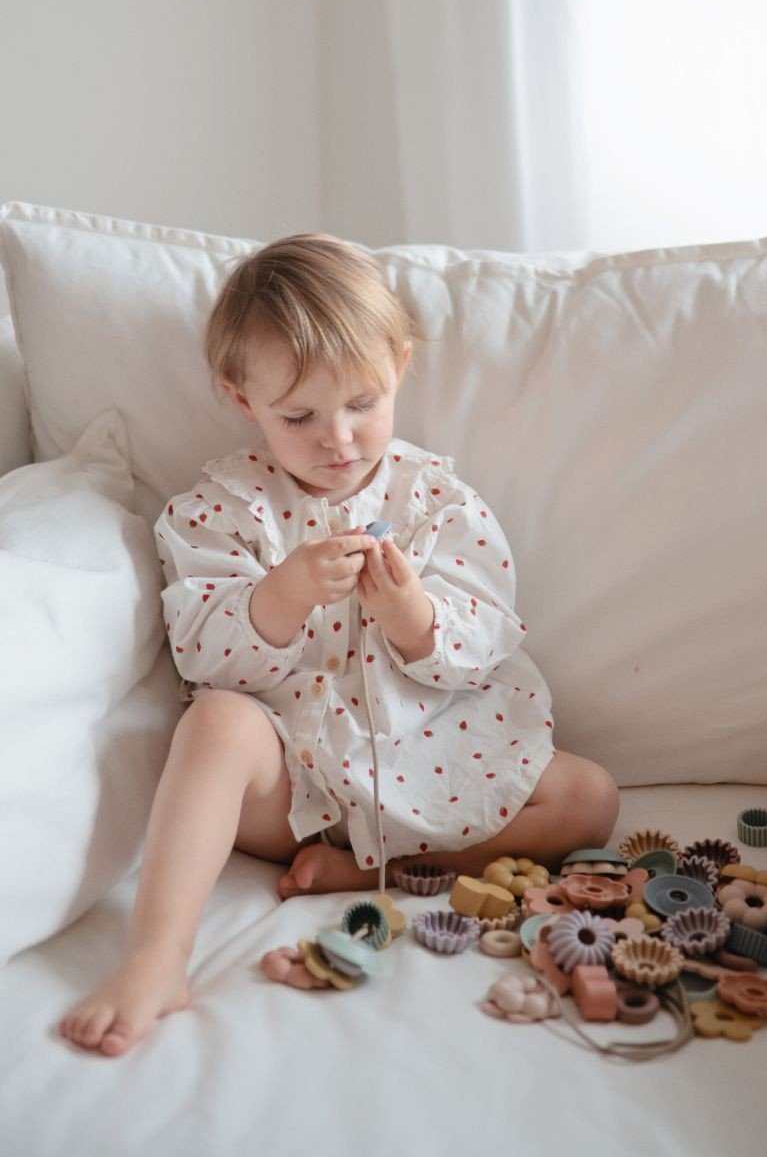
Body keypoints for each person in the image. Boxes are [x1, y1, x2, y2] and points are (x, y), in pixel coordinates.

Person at [58, 233, 619, 1056]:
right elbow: (200, 653)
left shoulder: (435, 501)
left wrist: (414, 617)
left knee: (590, 799)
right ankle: (157, 956)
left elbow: (488, 638)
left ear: (398, 368)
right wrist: (278, 598)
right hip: (294, 791)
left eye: (362, 403)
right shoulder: (221, 509)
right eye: (299, 416)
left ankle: (372, 871)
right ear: (242, 399)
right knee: (216, 723)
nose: (338, 439)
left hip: (430, 771)